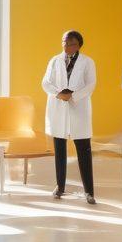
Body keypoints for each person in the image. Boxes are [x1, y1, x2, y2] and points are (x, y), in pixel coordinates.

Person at [41, 30, 98, 204]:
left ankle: (89, 191)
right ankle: (60, 187)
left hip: (78, 107)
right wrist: (59, 94)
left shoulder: (87, 62)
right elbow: (45, 82)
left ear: (79, 45)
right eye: (64, 42)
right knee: (59, 150)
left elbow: (91, 84)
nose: (66, 46)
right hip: (58, 107)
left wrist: (73, 96)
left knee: (84, 150)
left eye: (70, 43)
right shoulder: (55, 60)